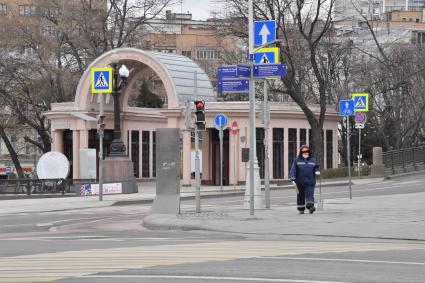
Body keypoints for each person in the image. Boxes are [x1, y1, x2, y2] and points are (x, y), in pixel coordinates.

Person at [289, 145, 320, 214]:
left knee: (310, 194)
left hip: (310, 182)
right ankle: (301, 208)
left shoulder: (313, 160)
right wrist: (292, 178)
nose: (305, 154)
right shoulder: (297, 161)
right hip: (299, 182)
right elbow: (293, 170)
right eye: (304, 152)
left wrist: (317, 171)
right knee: (300, 196)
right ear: (301, 153)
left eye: (307, 152)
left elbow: (316, 167)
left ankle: (310, 206)